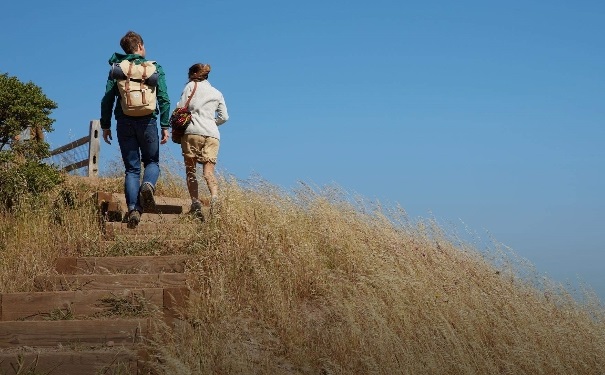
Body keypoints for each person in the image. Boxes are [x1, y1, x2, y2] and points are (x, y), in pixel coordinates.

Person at [100, 31, 170, 229]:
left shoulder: (117, 68)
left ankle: (133, 210)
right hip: (148, 121)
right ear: (139, 46)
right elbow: (164, 98)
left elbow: (107, 98)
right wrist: (165, 125)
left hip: (124, 122)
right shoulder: (154, 68)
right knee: (152, 161)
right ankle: (148, 185)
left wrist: (105, 125)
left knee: (131, 169)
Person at [176, 63, 229, 215]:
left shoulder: (191, 86)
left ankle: (195, 202)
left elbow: (180, 107)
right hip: (212, 134)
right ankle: (215, 198)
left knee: (191, 171)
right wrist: (212, 122)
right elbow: (224, 117)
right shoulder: (217, 93)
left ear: (192, 74)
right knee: (208, 172)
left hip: (192, 131)